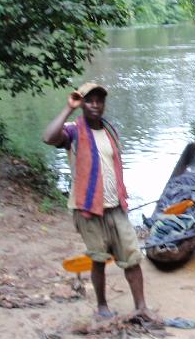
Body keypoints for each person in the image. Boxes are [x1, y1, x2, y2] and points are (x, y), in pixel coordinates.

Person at [42, 82, 158, 322]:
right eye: (89, 100)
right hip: (87, 207)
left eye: (99, 100)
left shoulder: (109, 130)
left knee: (132, 257)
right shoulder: (73, 131)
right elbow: (48, 137)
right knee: (98, 258)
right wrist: (68, 108)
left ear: (103, 103)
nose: (95, 105)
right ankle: (102, 306)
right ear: (82, 103)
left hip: (115, 206)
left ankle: (141, 307)